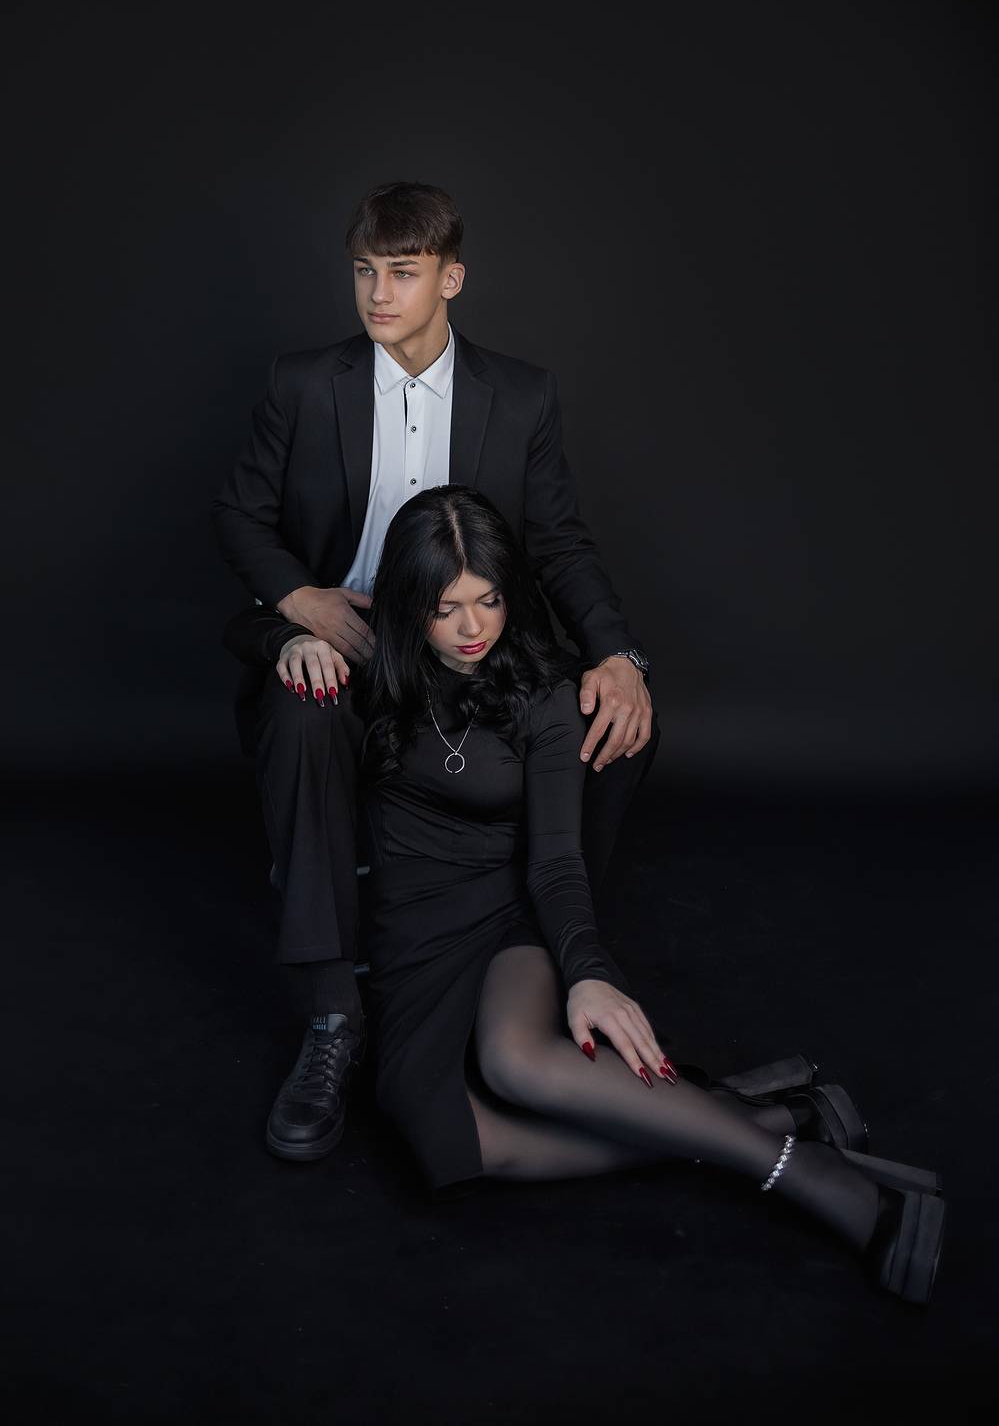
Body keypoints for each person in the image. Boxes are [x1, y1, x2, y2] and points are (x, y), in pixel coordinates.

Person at [225, 485, 945, 1304]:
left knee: (517, 1063)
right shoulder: (372, 665)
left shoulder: (544, 696)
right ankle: (768, 1116)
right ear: (407, 603)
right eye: (445, 607)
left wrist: (589, 972)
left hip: (507, 918)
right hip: (409, 941)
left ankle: (818, 1181)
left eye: (489, 600)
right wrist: (289, 637)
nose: (471, 627)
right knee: (449, 1143)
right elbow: (237, 628)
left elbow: (557, 863)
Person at [212, 181, 661, 1160]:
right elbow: (241, 517)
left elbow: (558, 542)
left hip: (471, 651)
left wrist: (617, 655)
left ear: (450, 279)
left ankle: (550, 946)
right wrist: (301, 603)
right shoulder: (304, 383)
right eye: (364, 272)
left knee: (616, 720)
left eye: (403, 273)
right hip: (349, 645)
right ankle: (332, 1016)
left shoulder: (520, 394)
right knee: (304, 710)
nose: (378, 294)